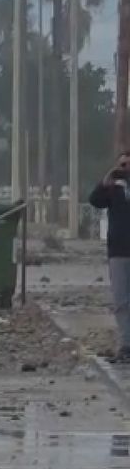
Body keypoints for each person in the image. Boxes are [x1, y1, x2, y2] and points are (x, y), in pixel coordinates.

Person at [89, 150, 130, 360]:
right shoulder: (113, 189)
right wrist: (108, 178)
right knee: (122, 301)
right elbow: (94, 200)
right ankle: (126, 345)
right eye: (122, 165)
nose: (125, 169)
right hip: (119, 252)